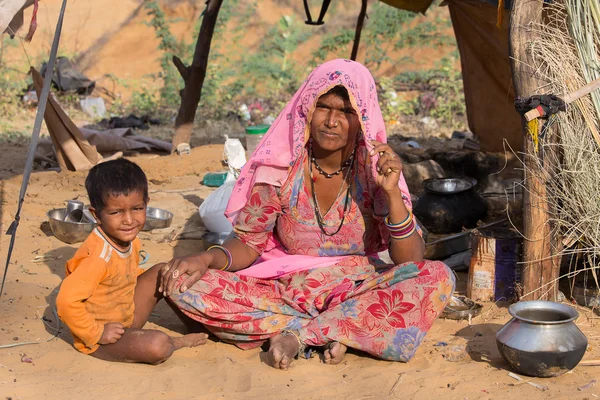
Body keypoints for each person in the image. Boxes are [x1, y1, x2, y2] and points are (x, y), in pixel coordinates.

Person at [135, 59, 455, 370]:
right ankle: (340, 331)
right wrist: (204, 259)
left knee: (438, 276)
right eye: (323, 107)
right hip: (283, 292)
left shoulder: (376, 169)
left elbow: (410, 260)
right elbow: (248, 244)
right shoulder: (280, 168)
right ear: (307, 108)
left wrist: (391, 194)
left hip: (355, 287)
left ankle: (300, 335)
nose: (332, 121)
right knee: (174, 278)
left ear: (363, 117)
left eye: (346, 111)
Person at [55, 159, 207, 364]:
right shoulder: (98, 258)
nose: (129, 220)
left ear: (146, 204)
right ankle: (177, 342)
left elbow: (125, 275)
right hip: (102, 338)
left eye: (136, 208)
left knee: (166, 271)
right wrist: (97, 333)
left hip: (126, 317)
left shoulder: (130, 241)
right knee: (158, 345)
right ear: (96, 215)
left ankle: (200, 324)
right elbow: (66, 302)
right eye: (116, 212)